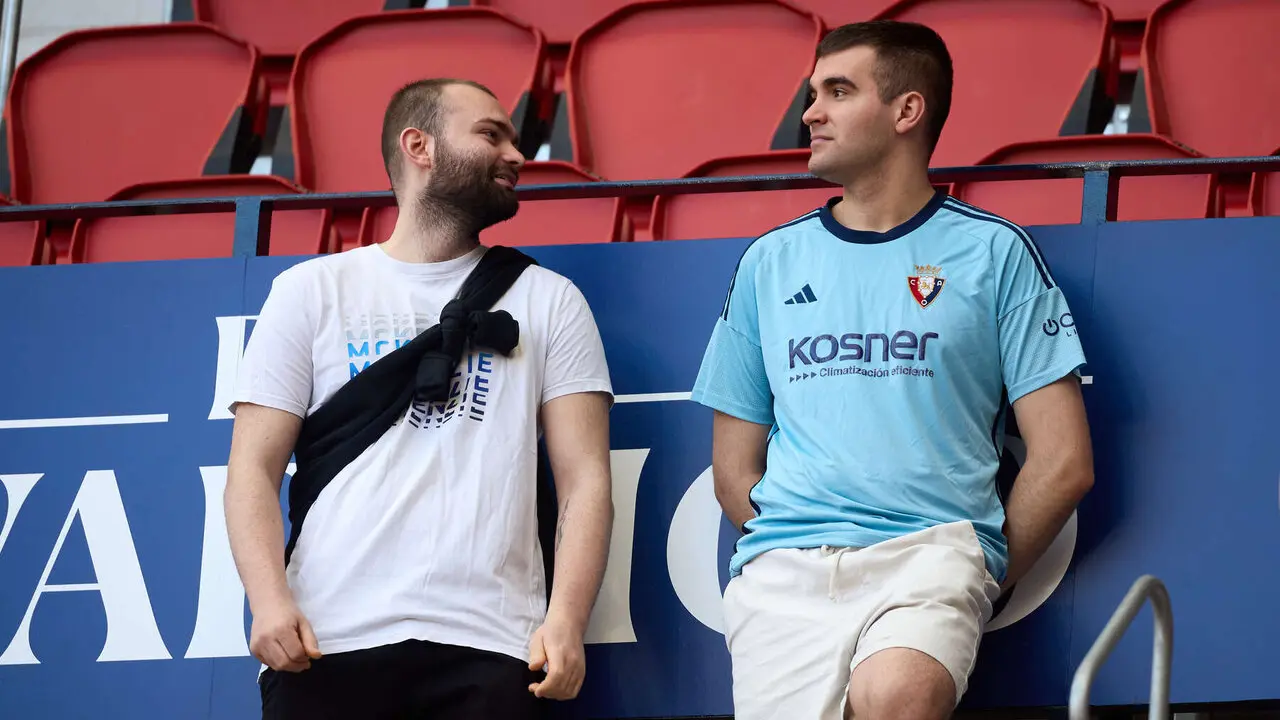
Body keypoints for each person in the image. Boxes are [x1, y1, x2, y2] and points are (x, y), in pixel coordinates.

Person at [690, 21, 1094, 720]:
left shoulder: (996, 253)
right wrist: (793, 540)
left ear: (907, 111)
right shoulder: (768, 262)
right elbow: (733, 470)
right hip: (785, 571)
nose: (809, 112)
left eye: (837, 91)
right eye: (813, 92)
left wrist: (982, 565)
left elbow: (1063, 461)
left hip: (931, 554)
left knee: (899, 695)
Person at [224, 78, 615, 720]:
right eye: (491, 134)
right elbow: (252, 471)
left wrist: (566, 620)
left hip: (492, 646)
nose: (518, 155)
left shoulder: (552, 300)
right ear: (419, 146)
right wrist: (269, 603)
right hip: (326, 642)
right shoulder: (311, 291)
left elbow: (585, 483)